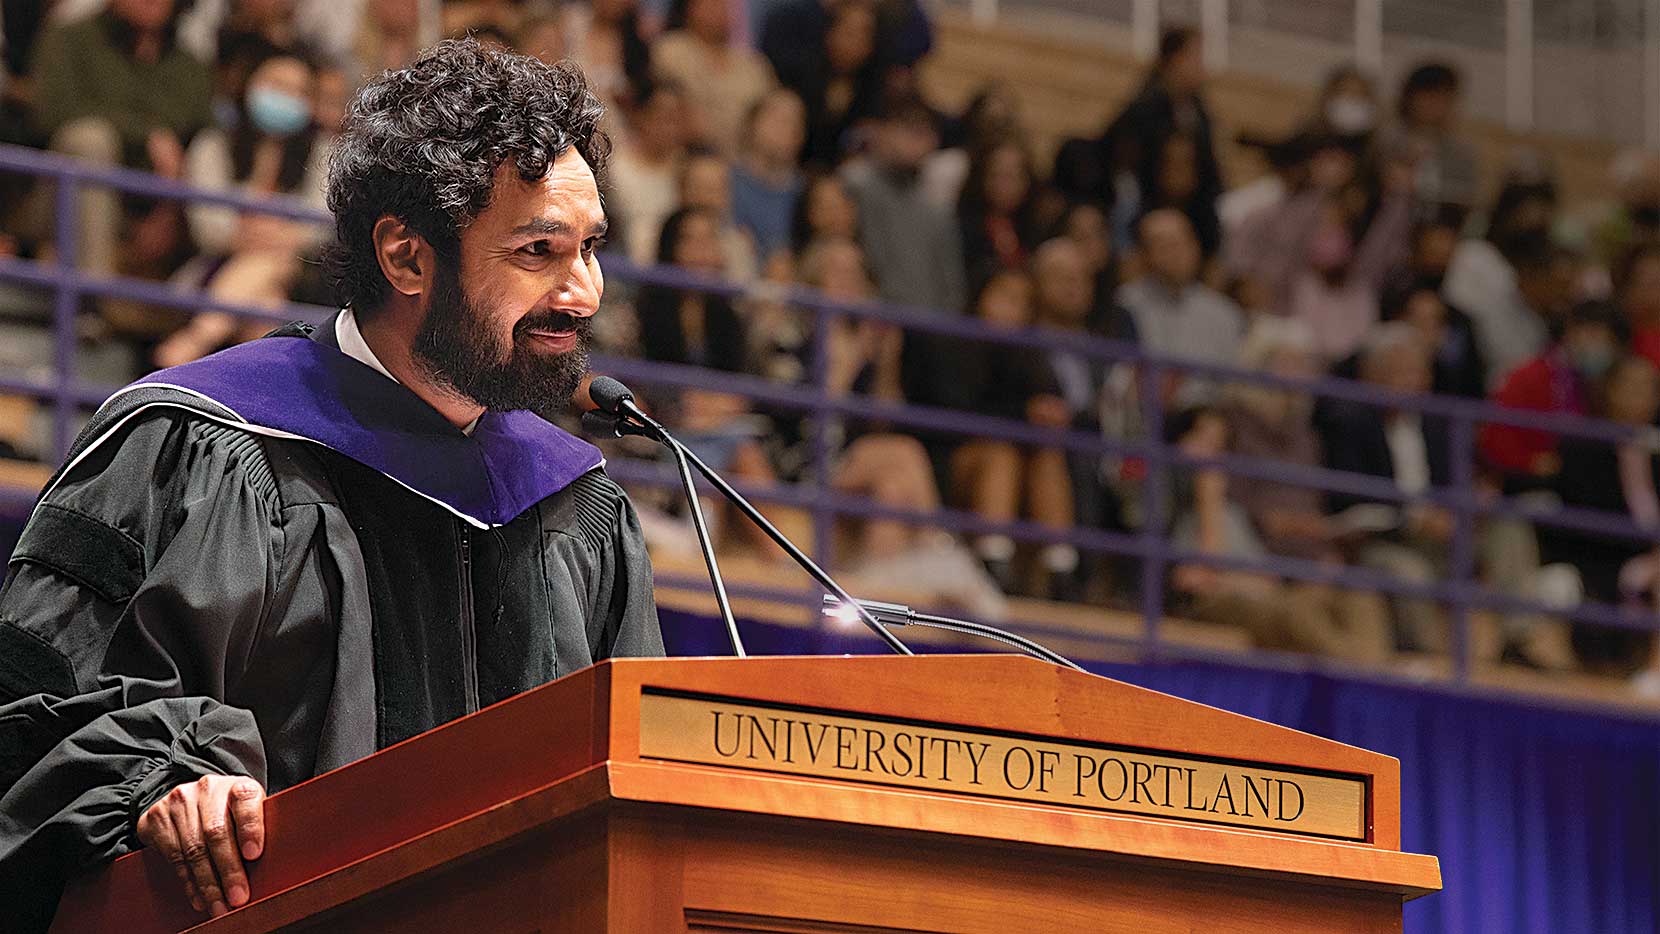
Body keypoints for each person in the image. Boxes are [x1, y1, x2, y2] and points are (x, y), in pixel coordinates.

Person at [0, 41, 663, 932]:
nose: (584, 292)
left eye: (590, 248)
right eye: (538, 250)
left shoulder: (575, 508)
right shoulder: (199, 446)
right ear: (406, 257)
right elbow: (33, 713)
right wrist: (156, 785)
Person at [1217, 319, 1393, 663]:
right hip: (1257, 562)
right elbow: (1234, 505)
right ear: (1260, 364)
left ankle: (1375, 678)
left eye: (1304, 365)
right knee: (1301, 611)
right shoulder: (1234, 424)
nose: (1300, 374)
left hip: (1307, 559)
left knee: (1362, 596)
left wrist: (1324, 543)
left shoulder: (1306, 435)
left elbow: (1313, 506)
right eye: (1289, 363)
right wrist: (1287, 526)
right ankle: (1369, 679)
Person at [156, 46, 331, 367]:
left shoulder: (323, 154)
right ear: (249, 85)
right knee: (266, 304)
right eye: (276, 85)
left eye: (297, 91)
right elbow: (208, 225)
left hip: (295, 271)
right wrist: (257, 237)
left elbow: (322, 223)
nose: (285, 96)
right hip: (220, 264)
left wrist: (279, 237)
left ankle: (197, 339)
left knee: (271, 265)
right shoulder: (212, 145)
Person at [30, 0, 213, 280]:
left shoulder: (190, 67)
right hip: (58, 199)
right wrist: (146, 134)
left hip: (155, 217)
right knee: (90, 139)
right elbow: (52, 113)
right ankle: (93, 288)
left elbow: (204, 140)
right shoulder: (70, 38)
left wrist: (171, 214)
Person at [1315, 323, 1451, 653]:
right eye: (1399, 372)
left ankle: (1515, 643)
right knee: (1410, 573)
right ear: (1371, 376)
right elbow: (1348, 501)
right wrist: (1411, 519)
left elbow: (1452, 486)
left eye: (1417, 372)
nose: (1411, 382)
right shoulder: (1348, 425)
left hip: (1441, 537)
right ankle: (1427, 662)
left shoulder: (1439, 427)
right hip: (1379, 542)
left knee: (1506, 532)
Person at [1543, 354, 1660, 676]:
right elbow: (1584, 520)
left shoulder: (1654, 449)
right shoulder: (1584, 446)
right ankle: (1656, 667)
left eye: (1650, 387)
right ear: (1609, 390)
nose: (1641, 395)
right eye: (1631, 386)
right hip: (1605, 559)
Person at [1098, 26, 1223, 257]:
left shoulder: (1198, 112)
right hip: (1144, 197)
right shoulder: (1145, 107)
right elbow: (1117, 156)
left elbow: (1209, 169)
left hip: (1191, 203)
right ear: (1174, 60)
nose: (1202, 65)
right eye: (1195, 56)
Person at [1117, 208, 1244, 378]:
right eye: (1163, 245)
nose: (1176, 253)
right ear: (1144, 254)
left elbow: (1234, 381)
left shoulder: (1225, 314)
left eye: (1183, 242)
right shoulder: (1124, 304)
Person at [652, 0, 777, 156]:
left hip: (748, 160)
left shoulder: (754, 64)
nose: (719, 10)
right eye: (711, 3)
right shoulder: (671, 51)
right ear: (690, 8)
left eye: (724, 4)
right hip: (686, 154)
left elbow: (771, 112)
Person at [1379, 62, 1478, 218]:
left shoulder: (1460, 151)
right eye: (1428, 96)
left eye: (1443, 97)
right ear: (1410, 97)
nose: (1434, 104)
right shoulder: (1386, 140)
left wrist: (1420, 185)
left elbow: (1468, 194)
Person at [730, 87, 807, 266]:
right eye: (779, 119)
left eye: (796, 122)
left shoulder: (807, 192)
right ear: (752, 123)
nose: (789, 129)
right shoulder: (725, 182)